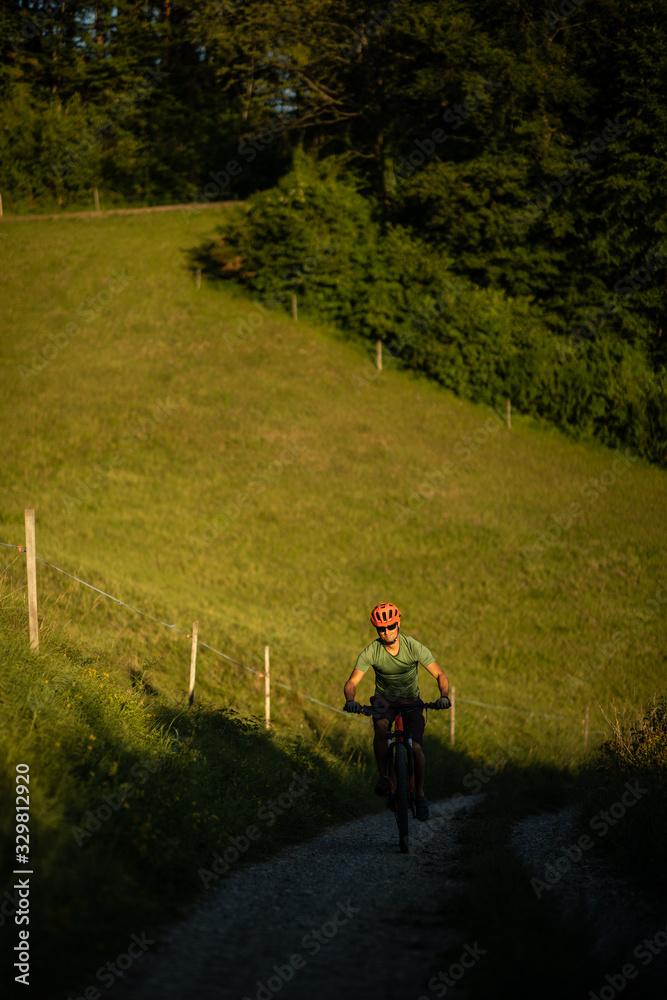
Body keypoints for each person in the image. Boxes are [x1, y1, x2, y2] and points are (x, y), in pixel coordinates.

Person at [343, 602, 450, 821]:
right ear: (376, 629)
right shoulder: (372, 650)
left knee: (417, 748)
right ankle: (384, 776)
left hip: (411, 702)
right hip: (384, 702)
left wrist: (444, 696)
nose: (386, 631)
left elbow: (440, 674)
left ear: (398, 623)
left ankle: (419, 795)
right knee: (381, 726)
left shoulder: (413, 646)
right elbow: (352, 682)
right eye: (381, 628)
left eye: (390, 626)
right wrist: (350, 700)